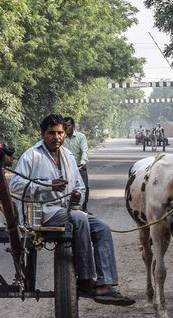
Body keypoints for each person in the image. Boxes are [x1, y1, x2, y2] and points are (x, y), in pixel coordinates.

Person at [9, 114, 135, 306]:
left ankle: (105, 284)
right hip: (41, 212)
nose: (56, 137)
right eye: (51, 133)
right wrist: (48, 186)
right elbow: (15, 186)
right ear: (43, 134)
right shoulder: (32, 155)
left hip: (66, 210)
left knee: (102, 228)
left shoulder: (68, 156)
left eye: (60, 132)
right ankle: (85, 279)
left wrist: (78, 195)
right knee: (79, 219)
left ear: (65, 133)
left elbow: (80, 186)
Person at [63, 116, 90, 212]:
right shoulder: (61, 138)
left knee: (85, 187)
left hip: (79, 167)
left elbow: (85, 150)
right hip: (65, 167)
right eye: (64, 126)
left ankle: (84, 208)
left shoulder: (81, 137)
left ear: (73, 126)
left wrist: (83, 163)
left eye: (68, 125)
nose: (66, 128)